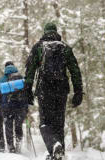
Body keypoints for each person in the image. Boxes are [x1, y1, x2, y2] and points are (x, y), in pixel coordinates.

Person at [24, 23, 84, 160]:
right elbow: (75, 70)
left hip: (45, 90)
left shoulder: (39, 47)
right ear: (56, 32)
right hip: (61, 90)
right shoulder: (65, 48)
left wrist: (27, 89)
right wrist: (78, 91)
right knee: (59, 124)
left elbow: (30, 70)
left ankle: (54, 147)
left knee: (45, 123)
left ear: (45, 32)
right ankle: (58, 154)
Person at [0, 61, 28, 153]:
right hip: (20, 107)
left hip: (7, 107)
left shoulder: (2, 79)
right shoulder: (20, 77)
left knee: (8, 128)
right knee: (18, 126)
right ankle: (19, 145)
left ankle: (11, 148)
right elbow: (26, 91)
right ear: (14, 66)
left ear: (5, 68)